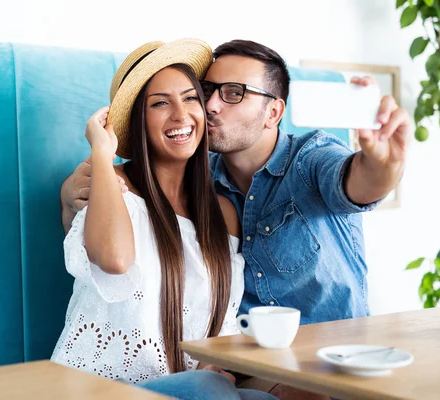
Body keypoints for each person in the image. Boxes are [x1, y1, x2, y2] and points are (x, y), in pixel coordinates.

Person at [60, 39, 411, 399]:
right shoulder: (184, 183)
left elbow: (360, 183)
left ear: (273, 113)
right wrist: (82, 184)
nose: (210, 105)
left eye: (233, 93)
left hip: (333, 368)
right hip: (199, 376)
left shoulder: (307, 161)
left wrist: (386, 164)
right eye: (208, 91)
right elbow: (112, 256)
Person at [52, 38, 276, 400]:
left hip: (187, 388)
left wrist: (212, 361)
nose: (180, 114)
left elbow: (224, 318)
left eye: (190, 98)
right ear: (137, 120)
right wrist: (100, 148)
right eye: (160, 103)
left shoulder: (222, 213)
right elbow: (113, 258)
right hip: (99, 390)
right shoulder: (113, 184)